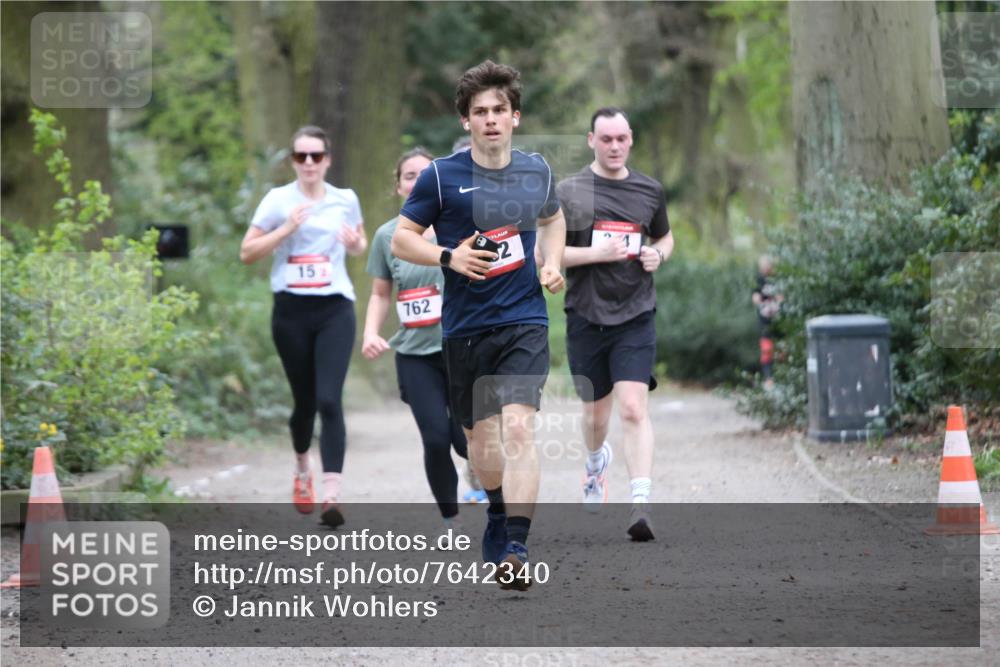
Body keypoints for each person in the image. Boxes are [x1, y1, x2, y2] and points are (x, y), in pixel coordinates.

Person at [392, 60, 566, 590]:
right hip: (465, 329)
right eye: (479, 112)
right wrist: (448, 257)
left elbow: (552, 218)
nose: (490, 119)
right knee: (481, 449)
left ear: (515, 116)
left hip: (523, 321)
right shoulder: (441, 176)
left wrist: (551, 261)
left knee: (518, 428)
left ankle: (517, 543)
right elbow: (403, 238)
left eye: (499, 110)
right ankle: (495, 507)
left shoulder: (537, 170)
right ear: (466, 121)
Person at [240, 125, 367, 529]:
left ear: (328, 160)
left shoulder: (345, 199)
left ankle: (331, 494)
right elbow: (247, 253)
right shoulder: (277, 201)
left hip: (335, 308)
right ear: (293, 162)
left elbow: (360, 243)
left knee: (330, 400)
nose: (309, 163)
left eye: (316, 156)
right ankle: (301, 466)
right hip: (291, 311)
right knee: (305, 404)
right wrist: (286, 229)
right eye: (301, 157)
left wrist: (354, 246)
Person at [556, 107, 674, 542]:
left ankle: (640, 504)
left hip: (636, 314)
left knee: (632, 408)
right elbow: (547, 256)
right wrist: (596, 253)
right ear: (591, 141)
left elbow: (665, 236)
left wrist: (658, 255)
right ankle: (594, 464)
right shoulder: (570, 191)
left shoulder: (649, 190)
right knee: (594, 415)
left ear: (631, 139)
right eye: (606, 139)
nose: (614, 146)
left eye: (622, 138)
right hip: (586, 314)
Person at [362, 148, 471, 530]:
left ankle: (486, 482)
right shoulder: (387, 236)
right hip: (413, 355)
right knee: (437, 439)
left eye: (426, 174)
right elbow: (380, 294)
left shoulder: (459, 225)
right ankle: (451, 520)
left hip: (460, 349)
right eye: (410, 176)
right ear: (398, 187)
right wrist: (371, 333)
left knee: (465, 441)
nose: (417, 181)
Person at [752, 255, 782, 390]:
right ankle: (769, 379)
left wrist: (778, 301)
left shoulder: (779, 279)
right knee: (766, 349)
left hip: (780, 321)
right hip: (765, 321)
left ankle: (782, 377)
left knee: (782, 351)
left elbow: (782, 297)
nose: (764, 269)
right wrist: (759, 300)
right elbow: (755, 297)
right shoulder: (758, 280)